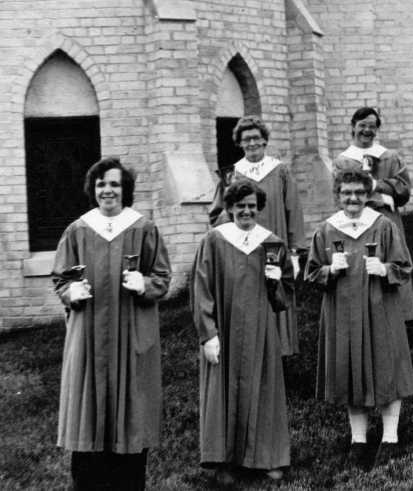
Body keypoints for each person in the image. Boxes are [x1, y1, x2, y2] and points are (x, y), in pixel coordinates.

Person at [52, 157, 171, 490]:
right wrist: (69, 291)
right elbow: (61, 278)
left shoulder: (143, 228)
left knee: (130, 411)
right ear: (93, 189)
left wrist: (145, 285)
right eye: (101, 184)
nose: (107, 190)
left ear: (125, 190)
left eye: (115, 184)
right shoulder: (77, 230)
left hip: (131, 332)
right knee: (87, 415)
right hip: (88, 335)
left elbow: (162, 276)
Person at [305, 168, 413, 470]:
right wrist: (329, 270)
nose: (352, 198)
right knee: (351, 369)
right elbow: (312, 273)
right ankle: (359, 440)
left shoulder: (383, 226)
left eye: (358, 192)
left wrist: (385, 269)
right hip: (342, 310)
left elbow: (404, 267)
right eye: (346, 192)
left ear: (368, 195)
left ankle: (390, 438)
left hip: (381, 306)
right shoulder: (327, 230)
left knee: (386, 367)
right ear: (338, 195)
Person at [192, 180, 293, 485]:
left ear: (259, 208)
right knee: (225, 390)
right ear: (230, 207)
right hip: (224, 329)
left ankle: (266, 459)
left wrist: (276, 282)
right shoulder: (214, 240)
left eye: (252, 205)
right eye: (240, 205)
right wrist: (208, 334)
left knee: (264, 389)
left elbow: (283, 298)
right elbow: (201, 290)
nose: (246, 210)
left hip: (261, 330)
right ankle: (224, 461)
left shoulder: (272, 243)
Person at [209, 115, 305, 356]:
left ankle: (279, 353)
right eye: (246, 139)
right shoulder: (232, 175)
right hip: (241, 249)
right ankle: (252, 349)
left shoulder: (280, 171)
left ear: (265, 141)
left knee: (275, 290)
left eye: (256, 138)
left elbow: (292, 210)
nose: (251, 143)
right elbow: (217, 214)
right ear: (239, 143)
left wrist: (294, 251)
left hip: (274, 246)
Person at [332, 107, 413, 322]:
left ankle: (398, 312)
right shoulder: (343, 161)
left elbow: (404, 189)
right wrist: (380, 197)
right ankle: (364, 309)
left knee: (390, 258)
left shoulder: (389, 157)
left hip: (388, 220)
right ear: (353, 127)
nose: (367, 130)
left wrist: (377, 184)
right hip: (356, 219)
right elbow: (339, 194)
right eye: (362, 125)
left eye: (372, 126)